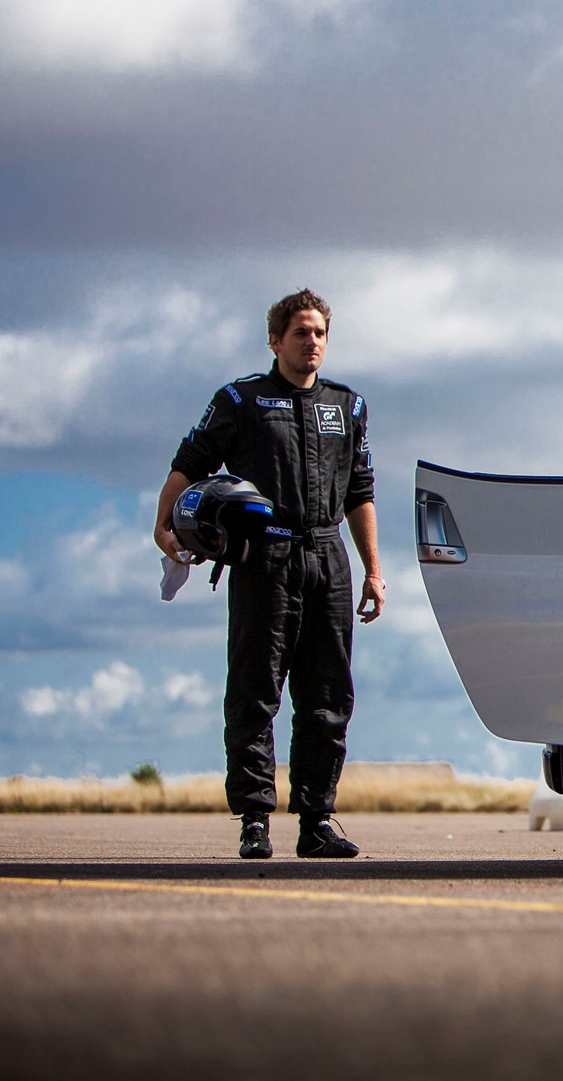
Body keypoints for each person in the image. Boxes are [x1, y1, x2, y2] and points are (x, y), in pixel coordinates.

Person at [154, 289, 384, 860]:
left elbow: (361, 492)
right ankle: (255, 819)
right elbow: (188, 465)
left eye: (320, 333)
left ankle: (317, 820)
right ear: (275, 340)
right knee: (256, 692)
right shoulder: (242, 400)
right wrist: (164, 526)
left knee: (328, 696)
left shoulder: (348, 405)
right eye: (301, 332)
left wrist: (373, 572)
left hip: (328, 559)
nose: (312, 342)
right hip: (265, 560)